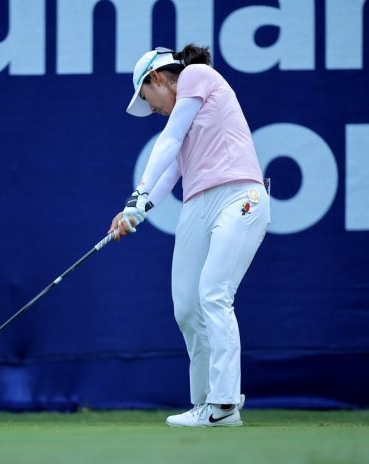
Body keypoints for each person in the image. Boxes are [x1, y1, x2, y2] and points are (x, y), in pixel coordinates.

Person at [108, 44, 270, 427]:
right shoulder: (186, 116)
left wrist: (137, 193)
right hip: (197, 205)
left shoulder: (197, 75)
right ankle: (204, 404)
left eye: (148, 98)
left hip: (239, 196)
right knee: (186, 307)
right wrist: (136, 211)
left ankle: (224, 405)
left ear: (157, 78)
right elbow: (170, 172)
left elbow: (168, 139)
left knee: (214, 293)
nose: (152, 109)